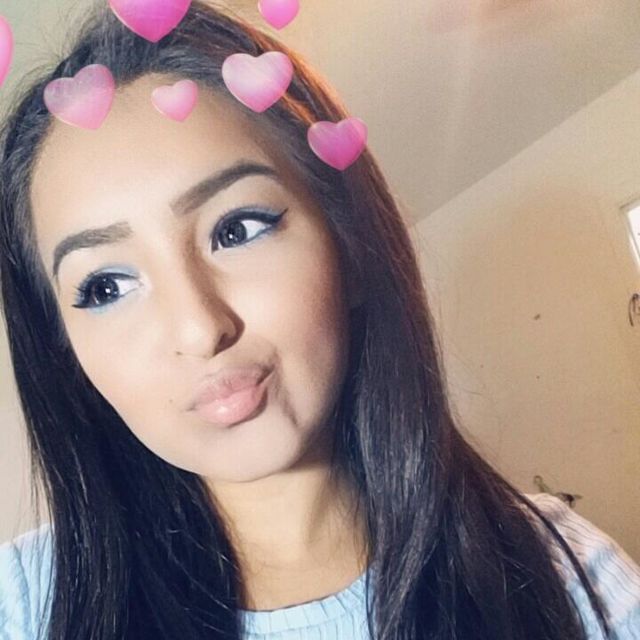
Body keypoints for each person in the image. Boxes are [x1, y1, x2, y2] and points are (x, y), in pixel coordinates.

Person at [0, 1, 638, 639]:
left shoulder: (569, 575)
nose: (199, 330)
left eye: (237, 229)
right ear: (65, 352)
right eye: (106, 287)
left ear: (350, 245)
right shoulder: (26, 602)